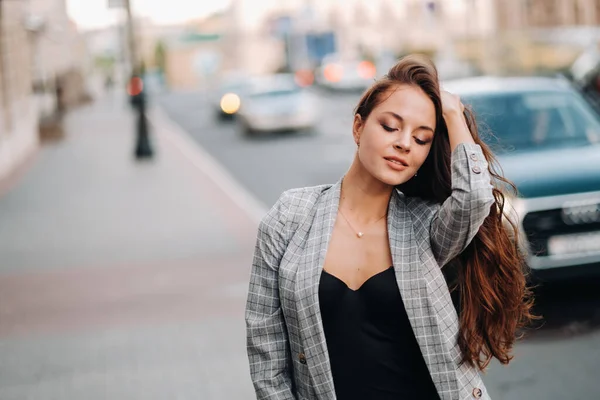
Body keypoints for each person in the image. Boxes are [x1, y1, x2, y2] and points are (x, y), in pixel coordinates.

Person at [245, 55, 535, 400]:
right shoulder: (291, 216)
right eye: (390, 126)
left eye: (422, 138)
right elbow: (267, 354)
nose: (404, 143)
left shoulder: (424, 224)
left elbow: (474, 198)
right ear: (358, 127)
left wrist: (453, 114)